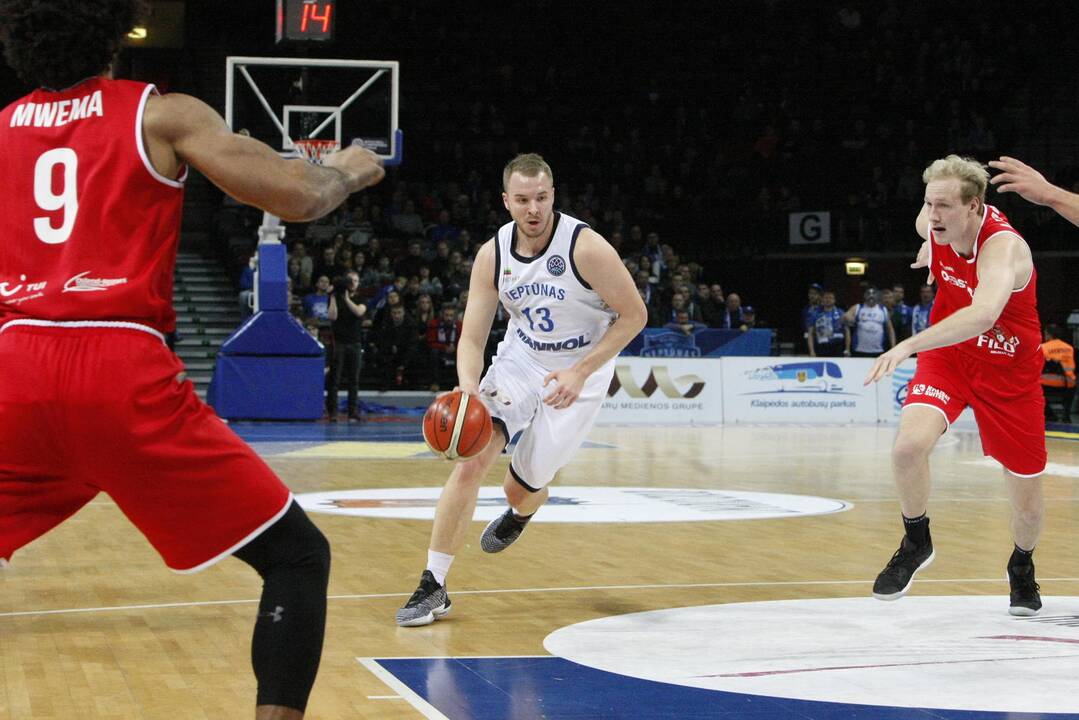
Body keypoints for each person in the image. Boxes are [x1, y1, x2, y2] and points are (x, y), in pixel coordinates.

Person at [0, 3, 385, 718]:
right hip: (117, 364)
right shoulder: (162, 115)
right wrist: (349, 170)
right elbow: (297, 195)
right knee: (296, 558)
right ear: (112, 35)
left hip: (13, 367)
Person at [396, 153, 646, 626]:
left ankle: (524, 510)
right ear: (506, 201)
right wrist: (470, 391)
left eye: (542, 198)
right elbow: (472, 336)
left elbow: (635, 317)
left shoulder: (586, 248)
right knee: (473, 458)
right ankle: (434, 584)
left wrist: (580, 371)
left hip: (582, 369)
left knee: (520, 487)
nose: (534, 209)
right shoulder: (493, 254)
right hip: (522, 359)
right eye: (524, 200)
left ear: (553, 196)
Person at [863, 155, 1045, 617]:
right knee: (908, 448)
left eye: (945, 206)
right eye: (930, 204)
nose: (934, 214)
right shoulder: (934, 221)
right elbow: (923, 223)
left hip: (1008, 369)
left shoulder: (1004, 248)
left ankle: (1022, 564)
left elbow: (983, 315)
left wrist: (906, 346)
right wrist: (929, 245)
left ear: (975, 207)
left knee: (1026, 501)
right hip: (951, 357)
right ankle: (916, 541)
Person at [327, 272, 367, 422]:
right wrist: (333, 297)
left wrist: (347, 299)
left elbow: (359, 311)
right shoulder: (335, 297)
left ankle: (352, 412)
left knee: (353, 379)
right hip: (339, 343)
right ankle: (333, 412)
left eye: (355, 281)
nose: (353, 283)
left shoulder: (360, 298)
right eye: (350, 281)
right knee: (335, 378)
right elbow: (332, 316)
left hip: (355, 342)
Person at [844, 287, 895, 357]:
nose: (871, 296)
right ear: (864, 295)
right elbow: (845, 318)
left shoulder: (883, 310)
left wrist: (893, 348)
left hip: (879, 350)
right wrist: (848, 318)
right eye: (868, 293)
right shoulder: (858, 307)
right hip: (859, 350)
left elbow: (890, 331)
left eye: (873, 293)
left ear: (877, 296)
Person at [1040, 324, 1075, 424]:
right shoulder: (1069, 348)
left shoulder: (1043, 348)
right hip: (1068, 383)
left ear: (1049, 335)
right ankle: (1066, 415)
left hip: (1047, 382)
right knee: (1074, 383)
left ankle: (1050, 414)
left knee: (1033, 385)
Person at [807, 289, 848, 357]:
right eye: (826, 298)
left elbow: (847, 331)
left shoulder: (841, 313)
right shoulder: (815, 314)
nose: (828, 300)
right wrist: (812, 351)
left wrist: (847, 349)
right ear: (822, 300)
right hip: (822, 346)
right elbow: (810, 334)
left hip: (837, 346)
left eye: (830, 298)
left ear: (834, 300)